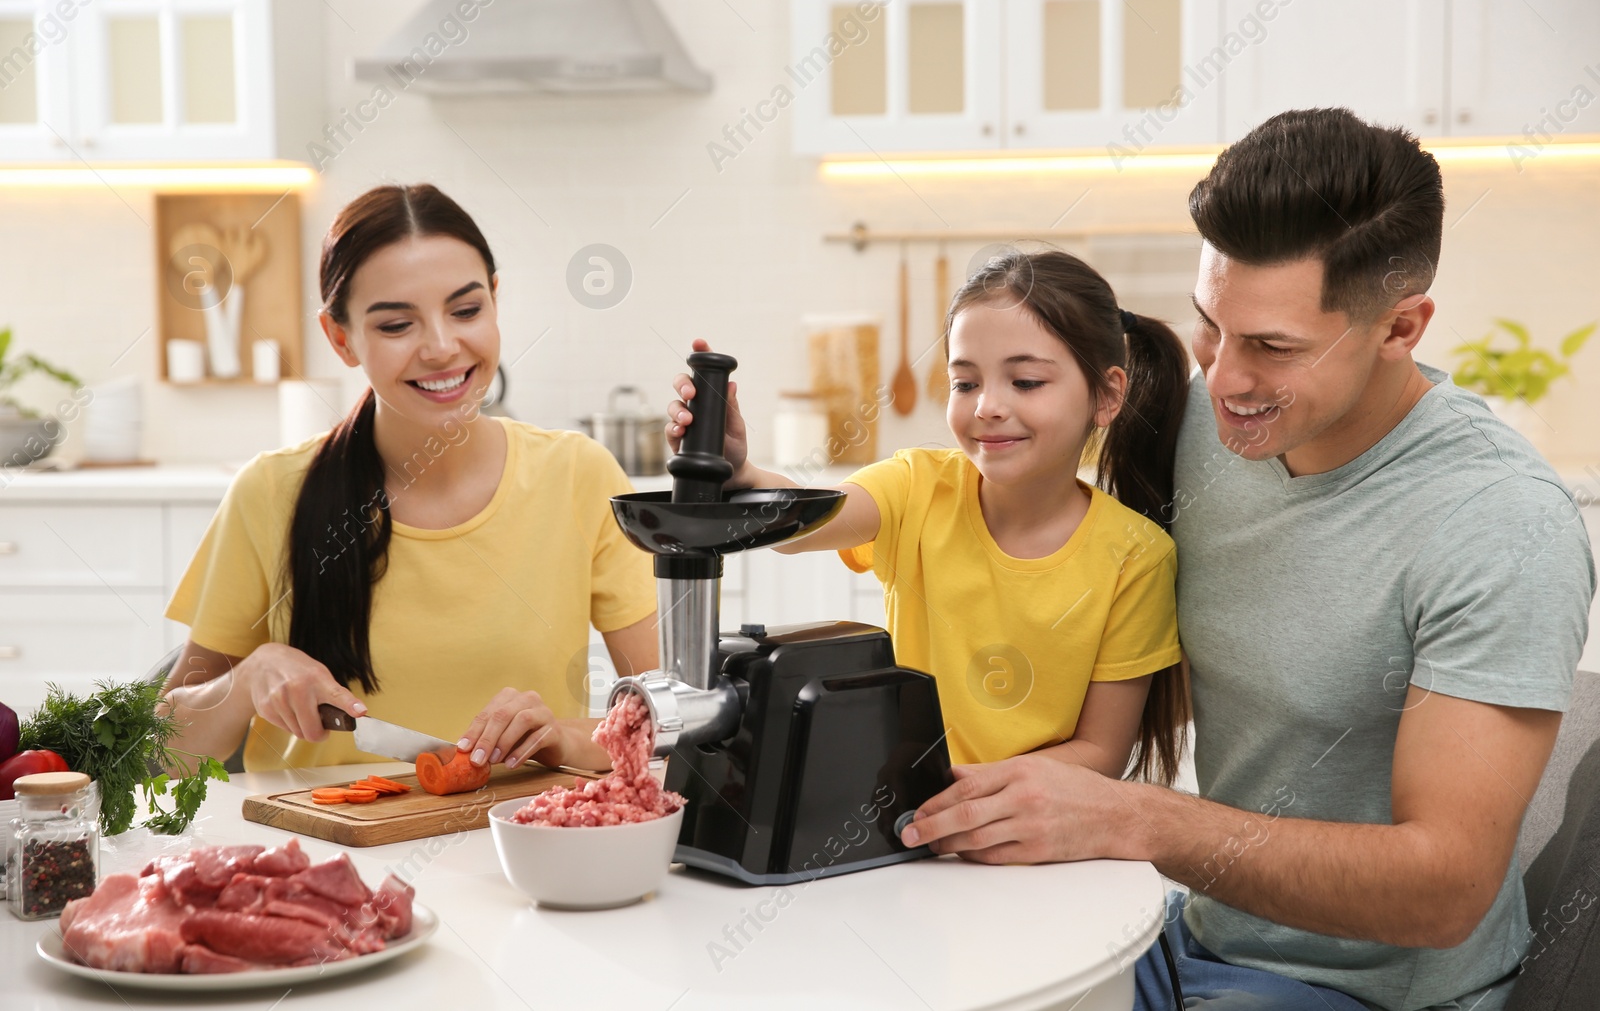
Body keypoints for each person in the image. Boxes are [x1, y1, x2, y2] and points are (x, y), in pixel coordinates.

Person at [896, 109, 1597, 1011]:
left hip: (1371, 994)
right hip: (1190, 935)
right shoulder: (1211, 427)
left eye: (1273, 346)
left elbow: (1445, 887)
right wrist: (759, 490)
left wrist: (1139, 817)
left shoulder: (1498, 522)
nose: (1223, 378)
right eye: (1209, 328)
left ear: (1402, 327)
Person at [157, 183, 658, 775]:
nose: (443, 348)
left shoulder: (579, 476)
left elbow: (668, 722)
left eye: (466, 310)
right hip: (319, 853)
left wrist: (562, 740)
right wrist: (247, 679)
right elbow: (166, 753)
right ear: (341, 338)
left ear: (495, 301)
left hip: (519, 850)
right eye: (397, 325)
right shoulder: (271, 492)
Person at [666, 247, 1190, 785]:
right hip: (906, 817)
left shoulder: (1137, 559)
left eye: (1026, 381)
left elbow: (1100, 754)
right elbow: (802, 523)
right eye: (965, 383)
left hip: (1037, 833)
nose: (986, 405)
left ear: (1106, 396)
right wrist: (742, 473)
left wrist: (956, 791)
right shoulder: (916, 487)